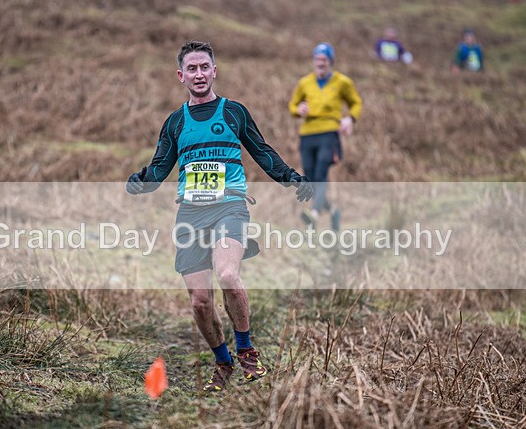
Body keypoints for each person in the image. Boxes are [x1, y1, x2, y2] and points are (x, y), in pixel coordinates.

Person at [125, 40, 313, 392]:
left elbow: (262, 151)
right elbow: (159, 169)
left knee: (228, 273)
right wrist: (140, 182)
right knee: (199, 302)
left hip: (230, 207)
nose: (199, 74)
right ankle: (223, 362)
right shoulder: (175, 123)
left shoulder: (233, 113)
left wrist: (292, 178)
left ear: (215, 71)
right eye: (191, 69)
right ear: (181, 76)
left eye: (204, 67)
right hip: (190, 215)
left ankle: (246, 352)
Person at [288, 42, 362, 232]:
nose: (320, 63)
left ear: (331, 61)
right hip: (307, 134)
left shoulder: (342, 82)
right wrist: (298, 109)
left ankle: (314, 214)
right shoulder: (305, 82)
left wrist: (350, 119)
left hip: (329, 132)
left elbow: (356, 103)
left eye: (324, 59)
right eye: (317, 59)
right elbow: (292, 105)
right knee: (310, 179)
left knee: (321, 173)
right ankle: (333, 211)